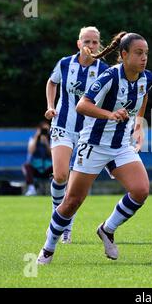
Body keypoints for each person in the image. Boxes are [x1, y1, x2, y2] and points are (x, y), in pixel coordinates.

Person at [37, 31, 152, 264]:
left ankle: (107, 229)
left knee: (141, 190)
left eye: (146, 54)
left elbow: (144, 97)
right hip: (93, 144)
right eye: (138, 53)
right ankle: (48, 249)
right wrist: (110, 114)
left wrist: (138, 125)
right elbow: (83, 105)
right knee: (72, 201)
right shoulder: (110, 77)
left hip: (121, 146)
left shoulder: (147, 78)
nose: (144, 58)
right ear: (124, 54)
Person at [44, 26, 109, 243]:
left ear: (99, 45)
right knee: (61, 175)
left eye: (94, 42)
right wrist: (50, 106)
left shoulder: (104, 69)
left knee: (75, 186)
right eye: (87, 41)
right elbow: (52, 82)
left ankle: (66, 225)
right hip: (62, 125)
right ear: (78, 43)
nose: (91, 46)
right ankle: (58, 218)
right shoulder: (65, 63)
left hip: (87, 132)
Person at [22, 121, 53, 196]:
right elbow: (30, 151)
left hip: (48, 168)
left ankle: (56, 189)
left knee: (58, 168)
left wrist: (46, 143)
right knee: (27, 166)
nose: (45, 132)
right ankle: (31, 189)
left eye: (47, 130)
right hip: (36, 168)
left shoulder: (52, 139)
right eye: (43, 130)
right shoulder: (33, 139)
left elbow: (52, 154)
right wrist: (37, 136)